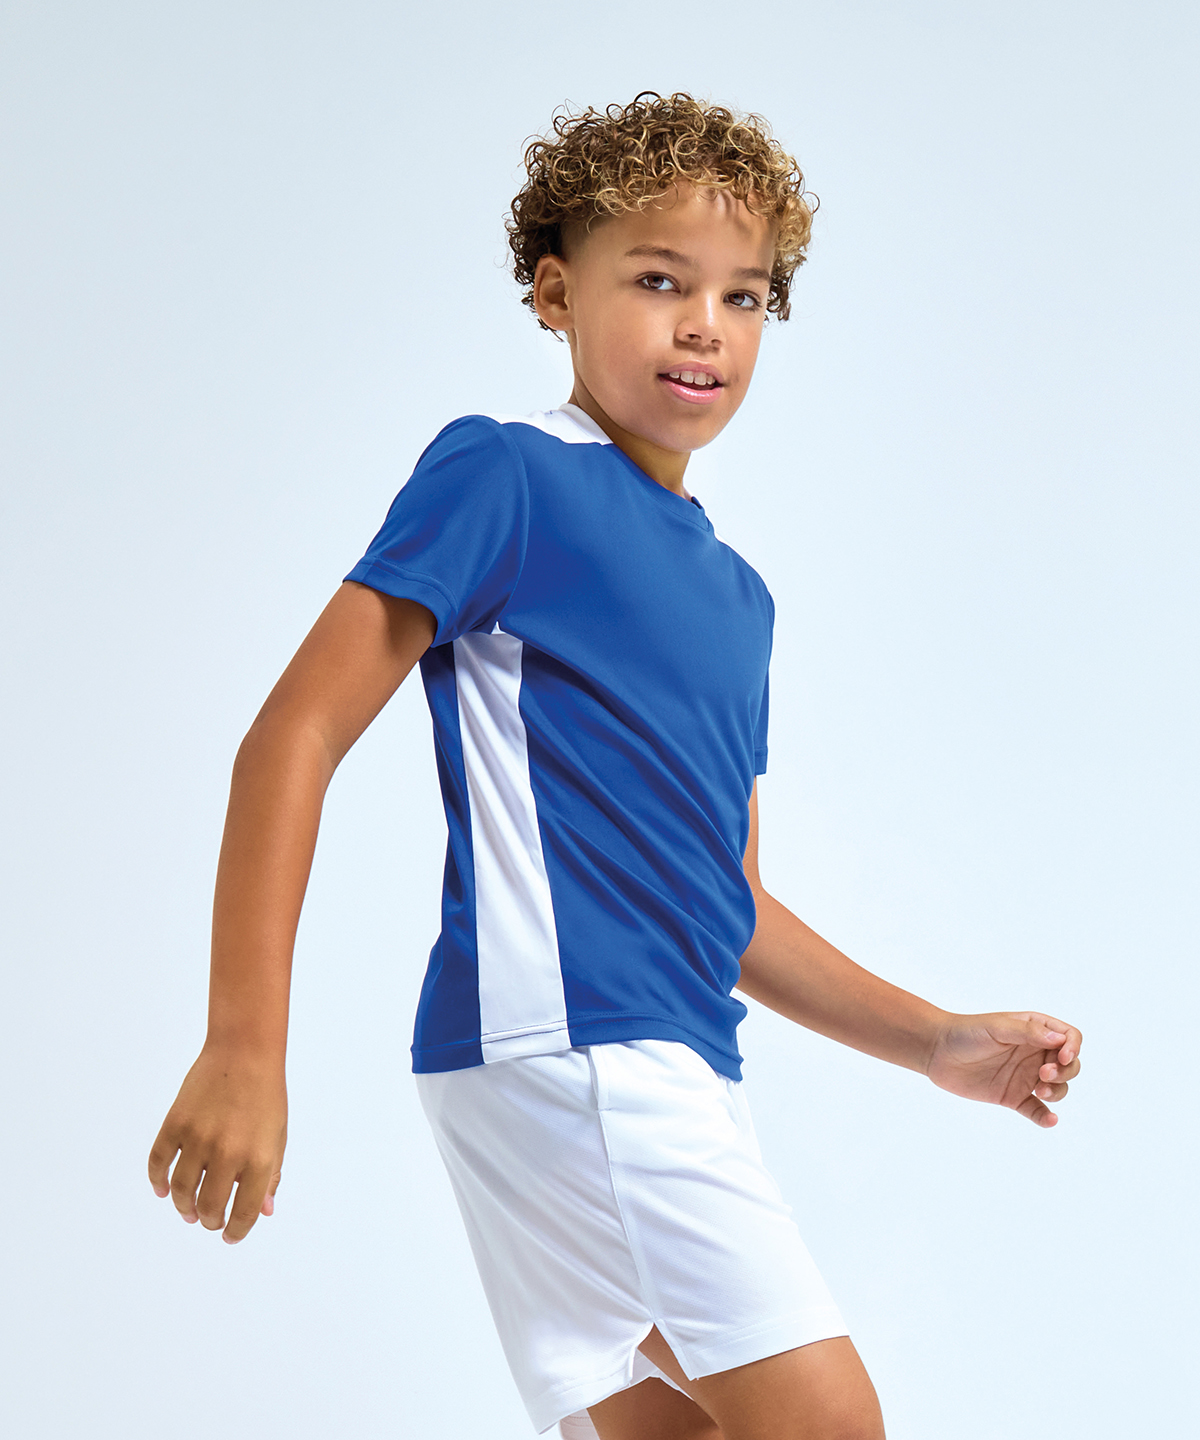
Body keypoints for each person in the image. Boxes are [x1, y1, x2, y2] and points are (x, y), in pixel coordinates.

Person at [147, 93, 1083, 1440]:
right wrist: (245, 1044)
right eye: (658, 281)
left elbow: (727, 906)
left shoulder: (741, 599)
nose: (705, 325)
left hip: (638, 1058)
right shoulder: (510, 476)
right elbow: (292, 734)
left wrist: (934, 1040)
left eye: (744, 296)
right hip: (584, 1046)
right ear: (554, 293)